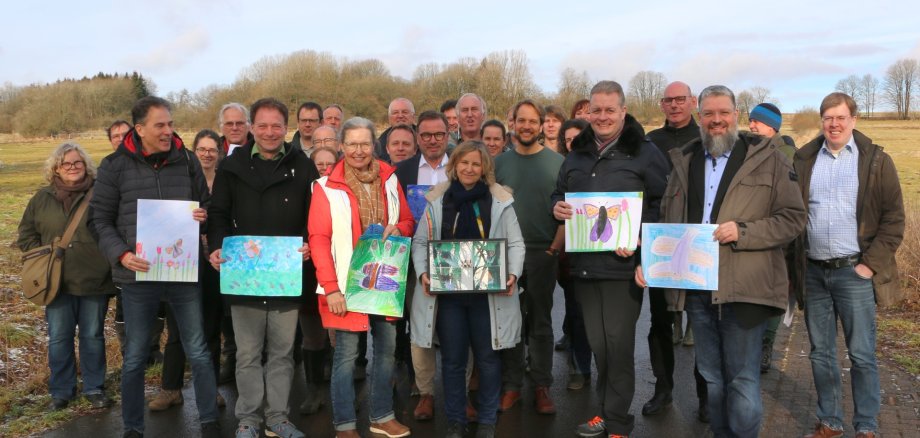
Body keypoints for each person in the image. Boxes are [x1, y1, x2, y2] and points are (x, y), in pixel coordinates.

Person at [637, 85, 806, 438]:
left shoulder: (769, 159)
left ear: (736, 115)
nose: (716, 120)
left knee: (742, 379)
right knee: (713, 377)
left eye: (723, 113)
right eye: (709, 114)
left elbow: (793, 218)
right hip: (698, 289)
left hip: (746, 287)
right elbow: (669, 218)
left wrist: (743, 232)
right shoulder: (686, 159)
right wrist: (651, 262)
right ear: (700, 117)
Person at [91, 96, 220, 438]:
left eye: (171, 124)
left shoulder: (187, 160)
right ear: (140, 128)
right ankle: (133, 427)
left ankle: (209, 421)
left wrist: (201, 218)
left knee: (198, 350)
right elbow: (99, 220)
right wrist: (121, 254)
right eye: (160, 125)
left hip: (182, 273)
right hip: (138, 275)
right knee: (135, 355)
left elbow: (204, 208)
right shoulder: (114, 167)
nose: (168, 131)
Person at [552, 81, 669, 438]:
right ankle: (606, 411)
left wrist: (639, 241)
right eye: (596, 110)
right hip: (585, 266)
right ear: (587, 113)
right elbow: (560, 193)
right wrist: (556, 208)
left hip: (622, 267)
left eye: (609, 110)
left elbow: (663, 205)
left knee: (617, 344)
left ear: (622, 111)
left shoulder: (645, 153)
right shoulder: (577, 153)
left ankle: (617, 421)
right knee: (599, 343)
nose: (602, 117)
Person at [793, 92, 904, 438]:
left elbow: (894, 219)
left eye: (841, 117)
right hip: (814, 271)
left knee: (861, 355)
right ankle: (831, 421)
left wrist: (869, 266)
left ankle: (867, 426)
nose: (834, 124)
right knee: (821, 354)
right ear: (821, 121)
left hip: (854, 273)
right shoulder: (805, 159)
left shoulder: (875, 161)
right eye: (828, 118)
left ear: (854, 120)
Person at [207, 98, 320, 438]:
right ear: (251, 128)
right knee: (248, 353)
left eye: (277, 126)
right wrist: (216, 246)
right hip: (244, 276)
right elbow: (218, 215)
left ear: (287, 129)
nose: (270, 132)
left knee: (284, 353)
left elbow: (315, 217)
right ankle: (249, 419)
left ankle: (278, 418)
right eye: (263, 125)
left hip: (286, 276)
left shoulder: (302, 165)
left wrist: (308, 243)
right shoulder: (233, 166)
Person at [309, 117, 414, 438]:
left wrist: (400, 228)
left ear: (374, 146)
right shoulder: (325, 187)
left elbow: (408, 221)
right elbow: (318, 239)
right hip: (344, 284)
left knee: (386, 350)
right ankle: (345, 425)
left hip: (385, 281)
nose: (358, 150)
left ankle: (382, 416)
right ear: (341, 146)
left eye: (365, 144)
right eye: (352, 144)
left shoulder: (390, 179)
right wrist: (330, 288)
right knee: (345, 356)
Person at [411, 141, 525, 438]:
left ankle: (487, 419)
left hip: (488, 297)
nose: (470, 169)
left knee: (488, 359)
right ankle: (456, 420)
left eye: (476, 164)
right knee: (453, 360)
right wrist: (424, 272)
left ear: (485, 168)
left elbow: (515, 243)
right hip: (449, 298)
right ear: (454, 166)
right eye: (464, 163)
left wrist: (512, 274)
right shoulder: (437, 201)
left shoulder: (499, 201)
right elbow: (421, 242)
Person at [18, 142, 116, 411]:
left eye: (77, 163)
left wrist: (104, 260)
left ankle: (95, 388)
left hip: (94, 278)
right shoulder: (41, 198)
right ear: (56, 169)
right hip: (55, 282)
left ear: (85, 166)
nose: (72, 168)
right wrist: (43, 258)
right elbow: (26, 235)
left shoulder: (101, 194)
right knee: (60, 337)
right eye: (66, 164)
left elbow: (113, 228)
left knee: (93, 336)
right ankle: (62, 391)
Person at [147, 130, 226, 412]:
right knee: (177, 328)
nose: (207, 153)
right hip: (181, 263)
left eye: (212, 149)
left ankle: (211, 389)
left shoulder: (226, 181)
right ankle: (171, 388)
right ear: (193, 151)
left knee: (210, 328)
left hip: (215, 265)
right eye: (201, 149)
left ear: (220, 152)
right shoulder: (182, 179)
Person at [642, 81, 707, 421]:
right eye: (668, 100)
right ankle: (663, 389)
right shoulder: (651, 142)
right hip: (661, 241)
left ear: (692, 101)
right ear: (662, 104)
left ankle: (705, 395)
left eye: (681, 99)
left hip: (698, 242)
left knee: (702, 320)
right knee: (660, 322)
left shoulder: (707, 138)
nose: (675, 105)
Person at [494, 99, 564, 415]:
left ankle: (541, 385)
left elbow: (567, 212)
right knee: (509, 321)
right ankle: (511, 387)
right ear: (513, 123)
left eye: (532, 121)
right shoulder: (498, 164)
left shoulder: (557, 163)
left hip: (542, 252)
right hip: (504, 254)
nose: (526, 126)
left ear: (541, 125)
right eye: (521, 120)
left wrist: (553, 249)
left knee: (540, 322)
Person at [397, 110, 451, 421]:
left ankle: (457, 391)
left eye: (439, 135)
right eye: (427, 135)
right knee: (421, 330)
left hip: (454, 260)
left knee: (456, 328)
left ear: (448, 135)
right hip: (414, 262)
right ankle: (425, 392)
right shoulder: (401, 171)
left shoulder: (462, 165)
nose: (433, 140)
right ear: (418, 138)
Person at [747, 102, 796, 374]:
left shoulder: (787, 155)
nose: (751, 125)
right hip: (754, 234)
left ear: (773, 126)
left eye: (757, 121)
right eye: (750, 120)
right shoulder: (749, 150)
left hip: (779, 239)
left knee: (775, 296)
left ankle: (766, 345)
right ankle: (754, 346)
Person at [552, 117, 592, 391]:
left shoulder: (600, 165)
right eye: (567, 139)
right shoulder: (565, 166)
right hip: (572, 252)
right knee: (576, 312)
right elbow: (556, 198)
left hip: (603, 251)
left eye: (577, 138)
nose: (572, 143)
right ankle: (580, 367)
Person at [214, 102, 253, 385]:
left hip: (255, 243)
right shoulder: (211, 153)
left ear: (248, 125)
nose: (235, 128)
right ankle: (231, 356)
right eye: (230, 124)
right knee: (229, 307)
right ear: (222, 128)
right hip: (228, 244)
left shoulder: (260, 151)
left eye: (240, 123)